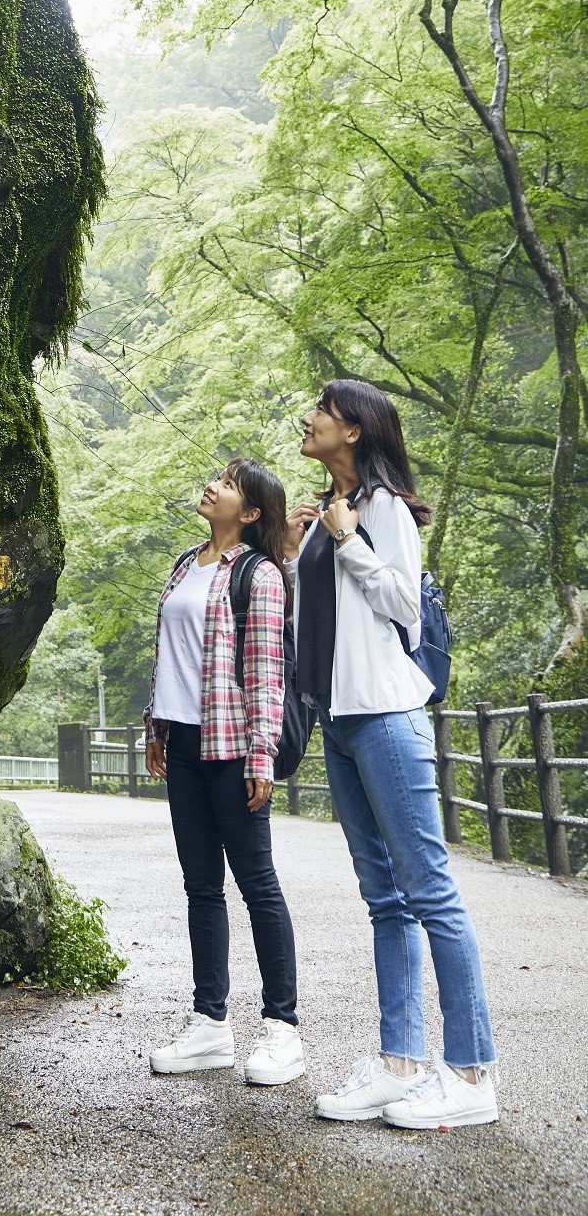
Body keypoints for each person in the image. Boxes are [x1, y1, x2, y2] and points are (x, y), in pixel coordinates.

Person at [287, 379, 498, 1129]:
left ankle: (471, 1073)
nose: (309, 417)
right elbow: (321, 622)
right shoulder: (329, 512)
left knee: (430, 892)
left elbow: (405, 606)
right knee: (385, 899)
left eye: (322, 409)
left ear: (353, 429)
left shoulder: (382, 509)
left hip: (386, 716)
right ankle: (400, 1062)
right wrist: (300, 551)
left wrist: (348, 540)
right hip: (340, 721)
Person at [145, 457, 305, 1087]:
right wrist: (156, 728)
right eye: (217, 478)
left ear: (251, 512)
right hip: (183, 740)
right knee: (201, 886)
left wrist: (261, 755)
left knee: (257, 885)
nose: (213, 486)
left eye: (229, 485)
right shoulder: (186, 563)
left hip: (233, 746)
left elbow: (265, 674)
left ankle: (282, 1028)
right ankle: (210, 1024)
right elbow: (170, 655)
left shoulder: (259, 574)